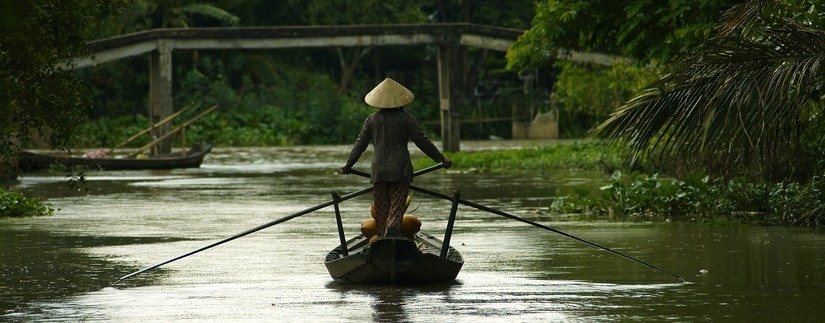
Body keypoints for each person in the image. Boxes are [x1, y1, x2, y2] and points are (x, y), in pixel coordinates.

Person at [341, 78, 452, 238]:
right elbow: (422, 141)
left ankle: (382, 239)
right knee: (396, 206)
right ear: (401, 102)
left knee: (381, 211)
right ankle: (393, 230)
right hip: (401, 171)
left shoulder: (372, 120)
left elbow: (360, 144)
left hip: (378, 172)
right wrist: (441, 158)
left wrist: (348, 165)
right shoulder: (406, 118)